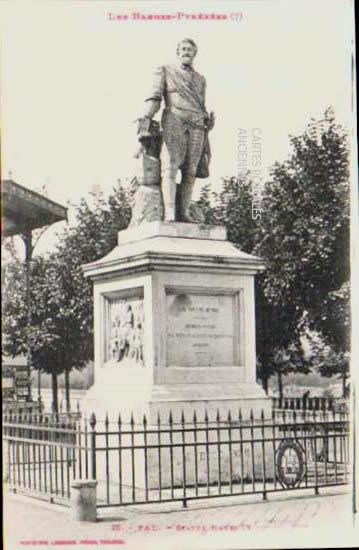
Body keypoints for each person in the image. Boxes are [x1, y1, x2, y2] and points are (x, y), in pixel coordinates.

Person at [137, 38, 215, 222]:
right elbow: (155, 96)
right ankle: (170, 211)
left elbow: (201, 104)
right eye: (184, 49)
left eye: (190, 50)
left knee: (191, 171)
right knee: (170, 167)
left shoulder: (200, 79)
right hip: (174, 119)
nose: (186, 52)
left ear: (195, 53)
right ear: (178, 51)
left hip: (197, 124)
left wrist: (207, 123)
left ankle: (184, 212)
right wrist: (146, 116)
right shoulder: (165, 70)